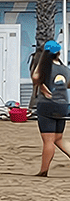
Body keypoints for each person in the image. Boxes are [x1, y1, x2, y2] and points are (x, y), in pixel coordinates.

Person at [32, 40, 70, 176]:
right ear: (58, 53)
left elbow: (35, 77)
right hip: (63, 106)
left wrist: (41, 84)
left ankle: (43, 171)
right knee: (58, 138)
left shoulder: (44, 67)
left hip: (47, 105)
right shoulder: (65, 69)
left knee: (48, 141)